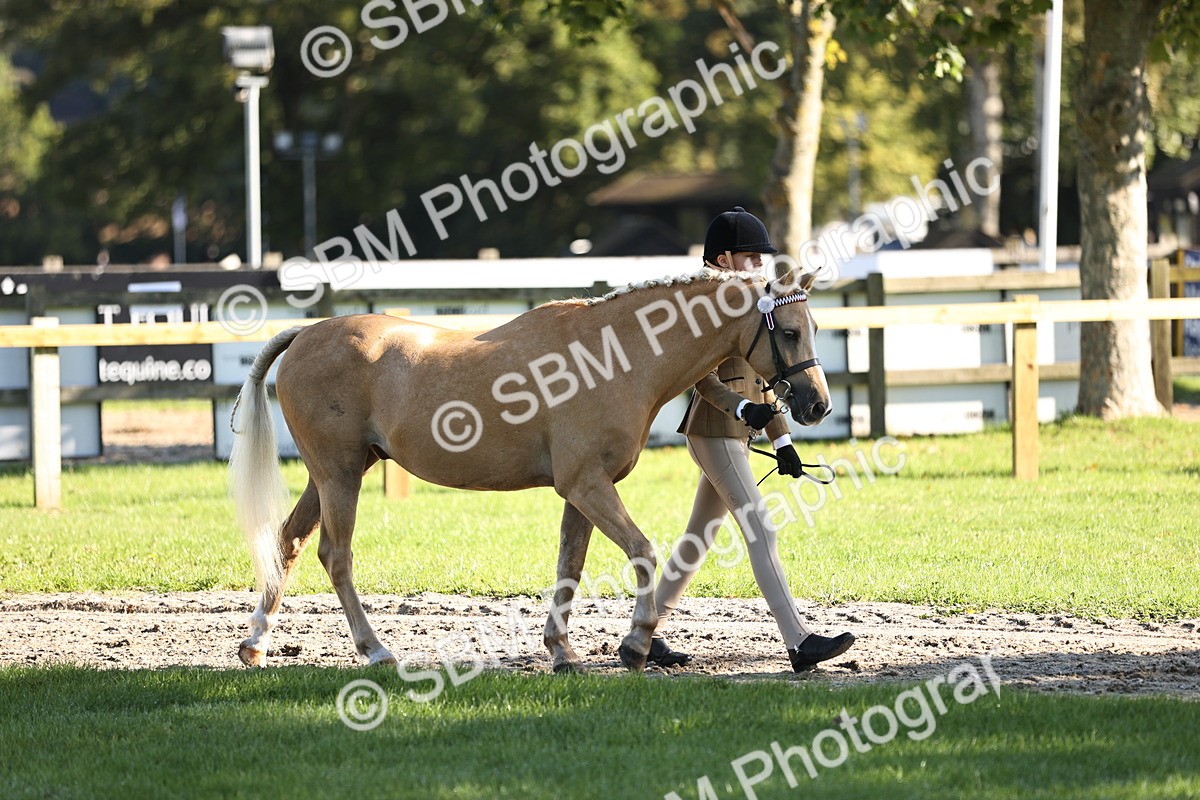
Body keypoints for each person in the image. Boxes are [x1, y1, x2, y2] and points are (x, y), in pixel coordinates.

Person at [645, 207, 855, 672]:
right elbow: (700, 379)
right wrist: (741, 409)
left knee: (699, 536)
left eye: (764, 258)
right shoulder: (706, 307)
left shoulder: (756, 302)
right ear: (723, 259)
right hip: (714, 428)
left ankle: (645, 631)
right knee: (761, 527)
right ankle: (798, 641)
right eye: (751, 257)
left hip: (739, 432)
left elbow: (768, 378)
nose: (760, 266)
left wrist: (782, 442)